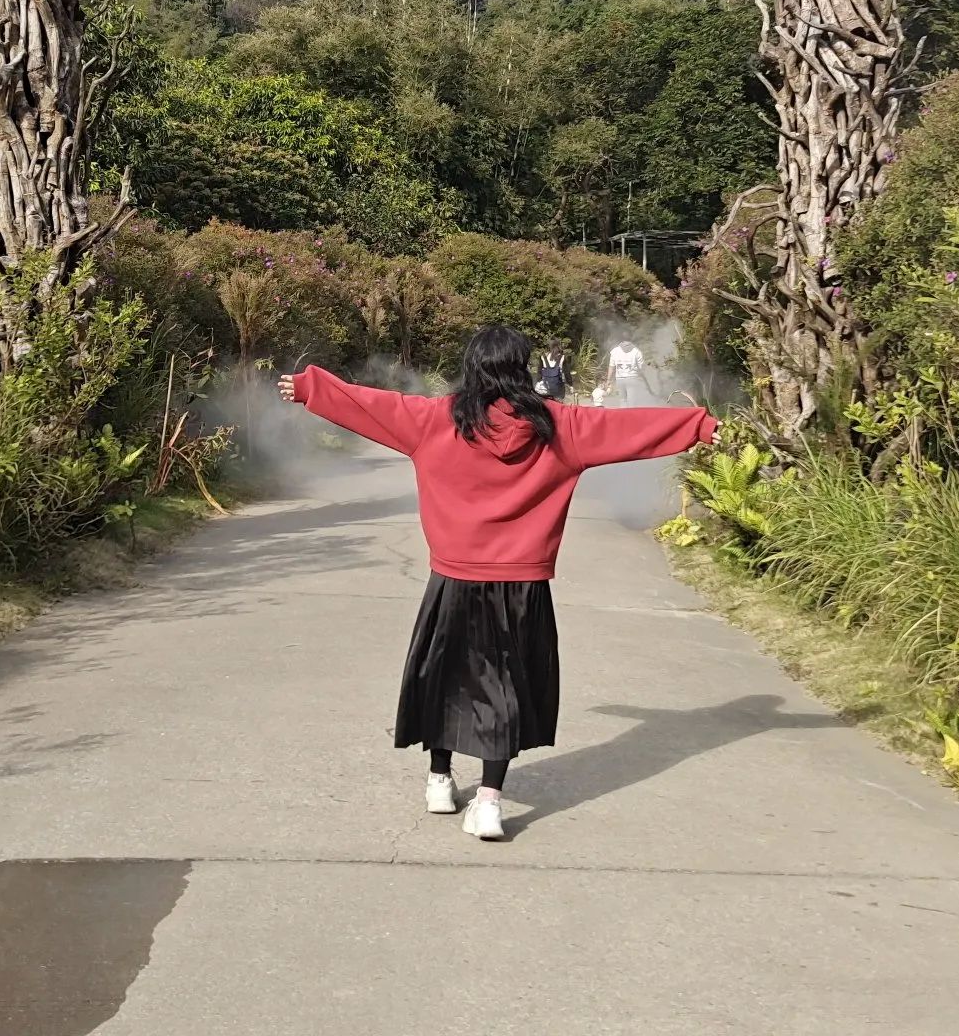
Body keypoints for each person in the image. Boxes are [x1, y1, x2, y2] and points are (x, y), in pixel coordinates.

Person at [278, 325, 716, 841]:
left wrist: (310, 387)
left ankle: (439, 780)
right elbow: (630, 428)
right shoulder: (560, 426)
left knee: (443, 677)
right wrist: (699, 425)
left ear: (472, 367)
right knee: (505, 687)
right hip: (522, 586)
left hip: (454, 579)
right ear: (522, 368)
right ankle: (488, 802)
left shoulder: (435, 420)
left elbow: (371, 405)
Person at [603, 336, 648, 407]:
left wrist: (608, 380)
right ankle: (631, 414)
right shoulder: (637, 351)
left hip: (619, 379)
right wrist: (641, 378)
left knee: (622, 400)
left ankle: (623, 413)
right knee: (632, 401)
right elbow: (641, 367)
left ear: (621, 340)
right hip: (632, 378)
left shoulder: (615, 351)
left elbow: (611, 366)